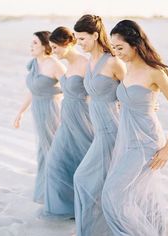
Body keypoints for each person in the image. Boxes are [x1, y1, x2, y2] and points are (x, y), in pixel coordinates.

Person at [102, 19, 168, 236]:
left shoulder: (154, 72)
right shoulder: (126, 69)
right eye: (114, 48)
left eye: (120, 48)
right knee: (137, 194)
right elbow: (127, 98)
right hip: (127, 140)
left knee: (113, 192)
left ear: (135, 44)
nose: (117, 53)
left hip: (146, 143)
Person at [73, 15, 126, 236]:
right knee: (100, 182)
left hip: (111, 130)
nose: (79, 43)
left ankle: (93, 229)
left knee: (83, 178)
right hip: (98, 130)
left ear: (95, 35)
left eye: (82, 38)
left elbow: (131, 92)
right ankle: (94, 228)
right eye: (76, 39)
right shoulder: (89, 63)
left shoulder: (113, 62)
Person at [40, 26, 94, 219]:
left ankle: (88, 210)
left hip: (83, 119)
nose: (53, 52)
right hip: (67, 120)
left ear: (69, 43)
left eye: (56, 47)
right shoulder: (67, 66)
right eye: (51, 48)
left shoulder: (86, 64)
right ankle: (66, 208)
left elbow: (101, 91)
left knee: (84, 164)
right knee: (55, 163)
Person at [13, 31, 65, 204]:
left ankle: (61, 196)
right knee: (43, 152)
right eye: (31, 42)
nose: (31, 46)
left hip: (51, 112)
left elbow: (71, 88)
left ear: (46, 46)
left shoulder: (55, 65)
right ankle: (45, 193)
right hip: (37, 110)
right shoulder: (34, 63)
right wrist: (20, 112)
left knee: (53, 152)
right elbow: (33, 90)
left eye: (35, 42)